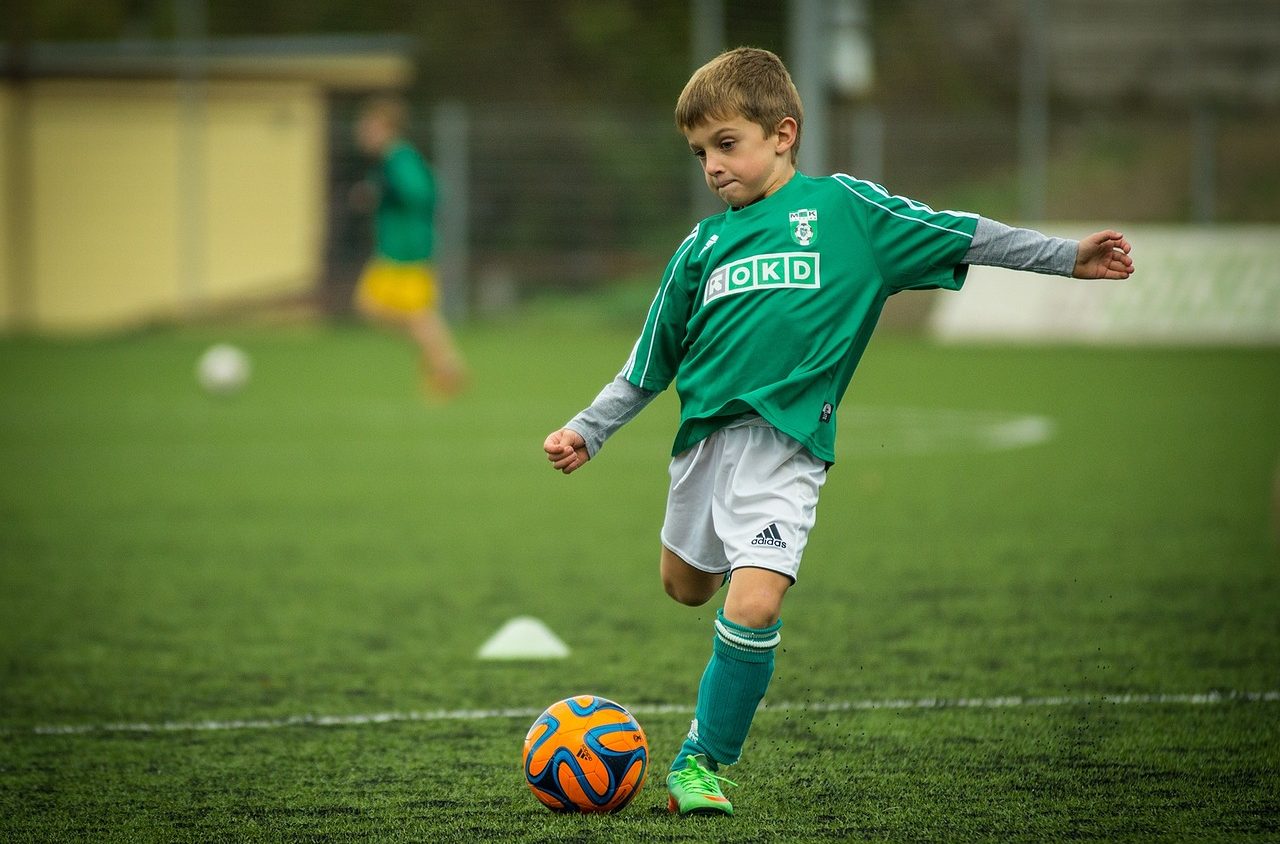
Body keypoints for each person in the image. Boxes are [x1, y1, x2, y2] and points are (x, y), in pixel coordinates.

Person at [542, 47, 1134, 817]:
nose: (713, 166)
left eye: (727, 144)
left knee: (753, 605)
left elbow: (962, 233)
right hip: (703, 450)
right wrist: (590, 431)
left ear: (782, 133)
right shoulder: (701, 248)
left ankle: (701, 762)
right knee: (685, 587)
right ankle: (736, 583)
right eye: (699, 153)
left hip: (787, 449)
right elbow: (648, 362)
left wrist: (1064, 257)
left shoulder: (848, 213)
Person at [352, 96, 466, 396]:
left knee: (414, 315)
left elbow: (425, 192)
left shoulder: (399, 158)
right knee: (375, 308)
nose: (363, 132)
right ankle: (441, 360)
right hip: (394, 250)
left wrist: (387, 191)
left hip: (408, 251)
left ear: (387, 128)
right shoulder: (389, 162)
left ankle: (445, 366)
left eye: (369, 127)